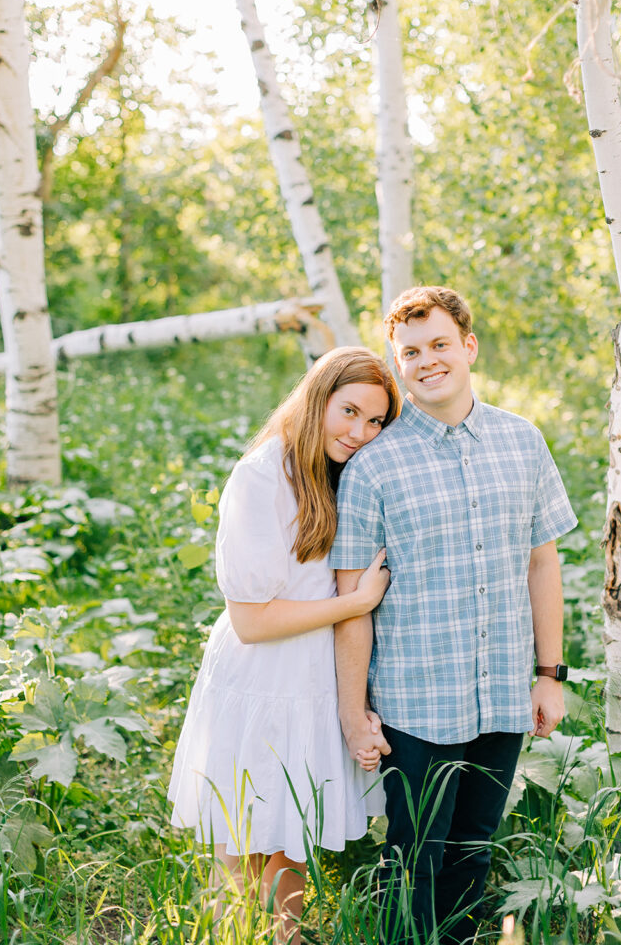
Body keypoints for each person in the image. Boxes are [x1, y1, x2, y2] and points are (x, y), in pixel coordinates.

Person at [330, 286, 577, 944]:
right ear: (398, 363)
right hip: (415, 706)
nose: (426, 360)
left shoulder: (520, 441)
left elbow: (540, 564)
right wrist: (354, 714)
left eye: (439, 344)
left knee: (473, 856)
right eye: (410, 352)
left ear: (467, 346)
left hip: (499, 696)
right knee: (412, 865)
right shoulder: (372, 468)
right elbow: (350, 604)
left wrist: (547, 673)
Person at [168, 346, 400, 944]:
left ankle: (285, 937)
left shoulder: (344, 472)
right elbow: (252, 620)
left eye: (375, 421)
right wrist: (355, 602)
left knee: (290, 838)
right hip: (260, 677)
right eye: (349, 411)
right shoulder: (262, 476)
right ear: (317, 397)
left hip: (313, 679)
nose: (360, 432)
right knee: (244, 841)